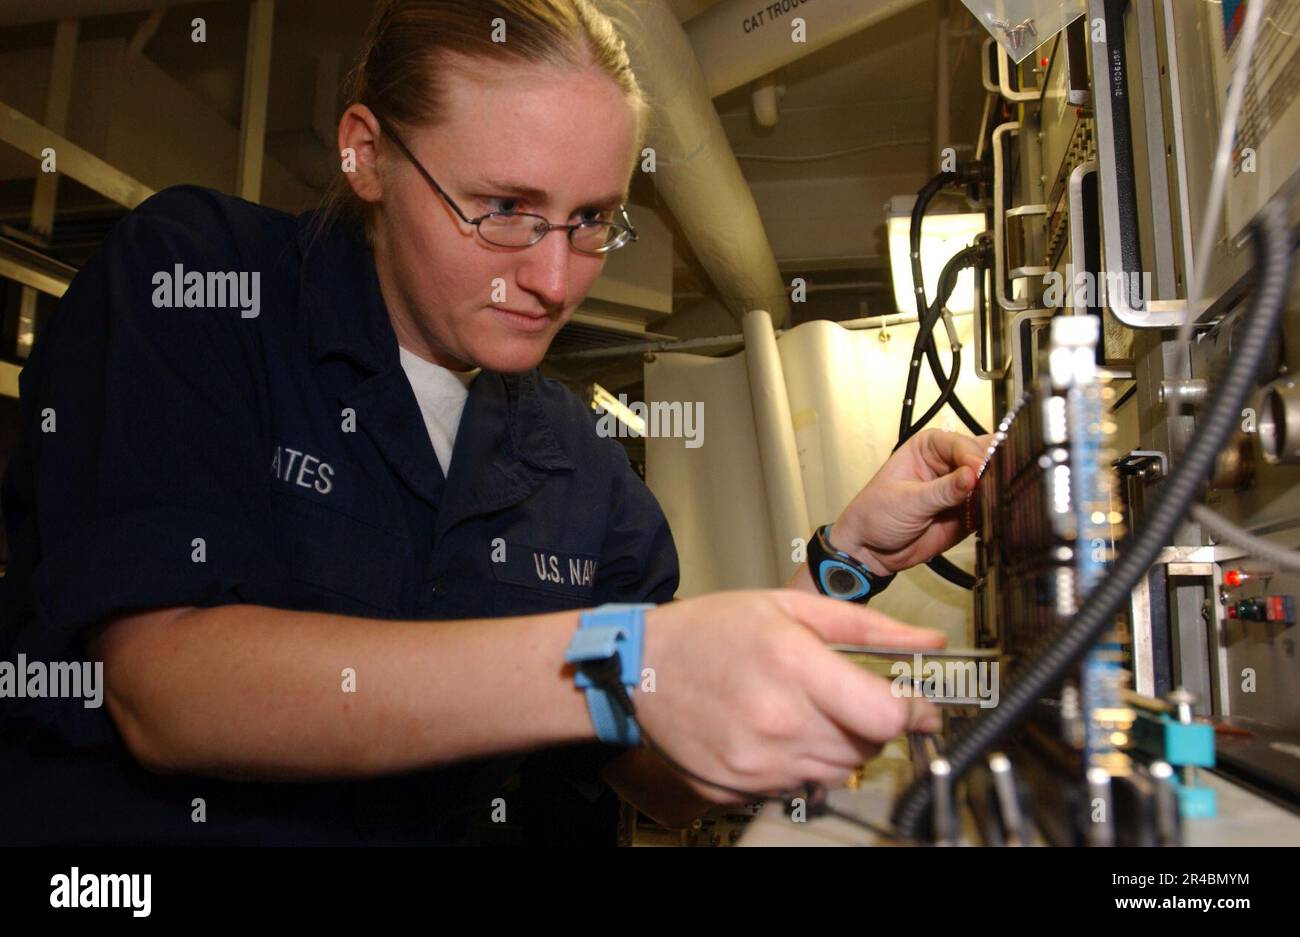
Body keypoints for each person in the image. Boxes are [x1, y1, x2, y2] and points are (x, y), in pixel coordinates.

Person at [0, 0, 987, 845]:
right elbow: (167, 691)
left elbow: (659, 783)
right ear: (366, 153)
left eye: (593, 219)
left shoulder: (580, 470)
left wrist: (839, 563)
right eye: (503, 208)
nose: (555, 281)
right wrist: (622, 659)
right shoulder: (201, 284)